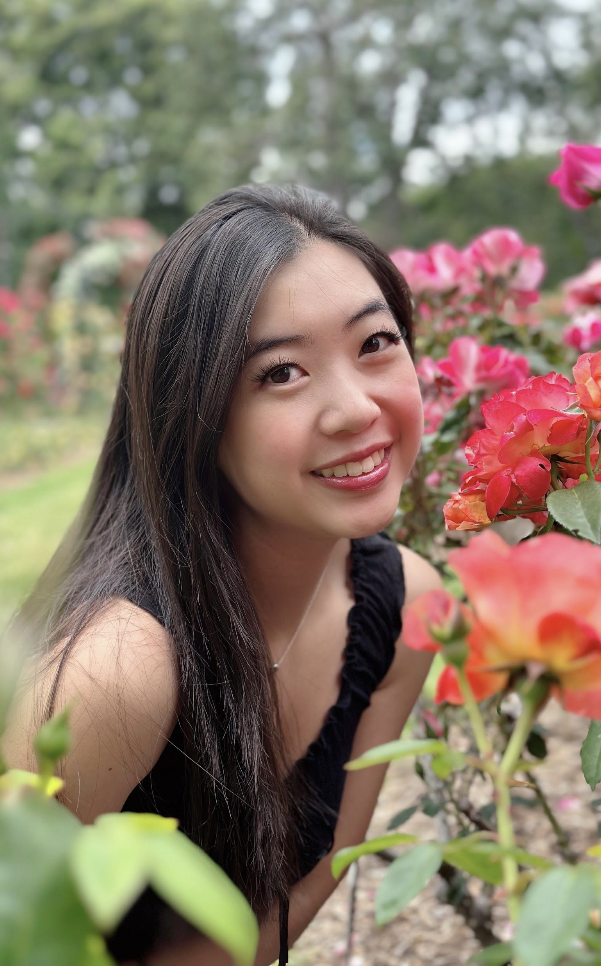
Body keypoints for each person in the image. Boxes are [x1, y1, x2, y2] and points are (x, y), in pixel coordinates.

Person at [2, 183, 443, 965]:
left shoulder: (406, 607)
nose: (354, 410)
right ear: (194, 414)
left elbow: (285, 905)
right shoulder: (116, 673)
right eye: (280, 374)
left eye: (375, 343)